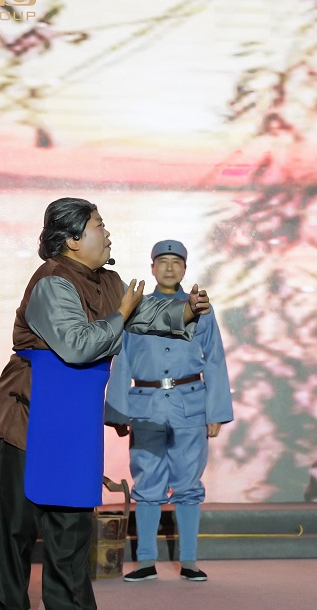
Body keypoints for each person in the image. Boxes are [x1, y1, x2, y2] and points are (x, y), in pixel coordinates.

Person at [0, 198, 210, 610]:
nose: (107, 234)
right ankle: (8, 604)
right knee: (16, 527)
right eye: (99, 226)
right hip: (29, 417)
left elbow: (146, 315)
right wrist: (121, 313)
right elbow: (77, 345)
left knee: (72, 526)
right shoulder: (52, 281)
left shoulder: (108, 280)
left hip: (75, 418)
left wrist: (186, 311)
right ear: (72, 239)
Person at [105, 239, 234, 582]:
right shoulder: (135, 308)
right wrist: (118, 411)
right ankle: (146, 561)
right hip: (145, 405)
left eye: (176, 262)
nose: (169, 267)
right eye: (162, 261)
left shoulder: (201, 309)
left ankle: (189, 561)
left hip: (189, 404)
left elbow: (215, 359)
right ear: (152, 267)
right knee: (147, 483)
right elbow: (122, 359)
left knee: (188, 485)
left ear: (185, 268)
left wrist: (216, 412)